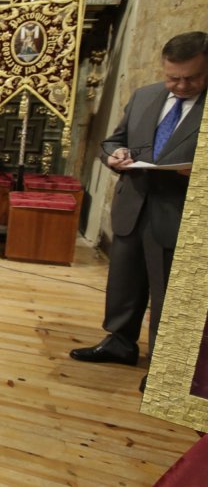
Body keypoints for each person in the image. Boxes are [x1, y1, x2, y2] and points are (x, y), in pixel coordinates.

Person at [70, 31, 207, 392]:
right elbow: (114, 140)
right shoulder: (146, 96)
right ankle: (119, 341)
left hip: (180, 211)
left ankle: (166, 367)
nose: (179, 85)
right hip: (134, 202)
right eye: (172, 77)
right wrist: (113, 156)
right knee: (125, 281)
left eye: (191, 78)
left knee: (169, 293)